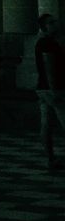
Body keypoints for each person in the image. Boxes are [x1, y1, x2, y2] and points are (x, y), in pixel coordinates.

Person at [35, 13, 65, 171]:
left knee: (46, 124)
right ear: (44, 27)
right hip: (53, 89)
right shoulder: (48, 43)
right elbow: (49, 66)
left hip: (42, 88)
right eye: (51, 22)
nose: (56, 24)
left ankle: (51, 158)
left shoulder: (44, 42)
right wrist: (54, 89)